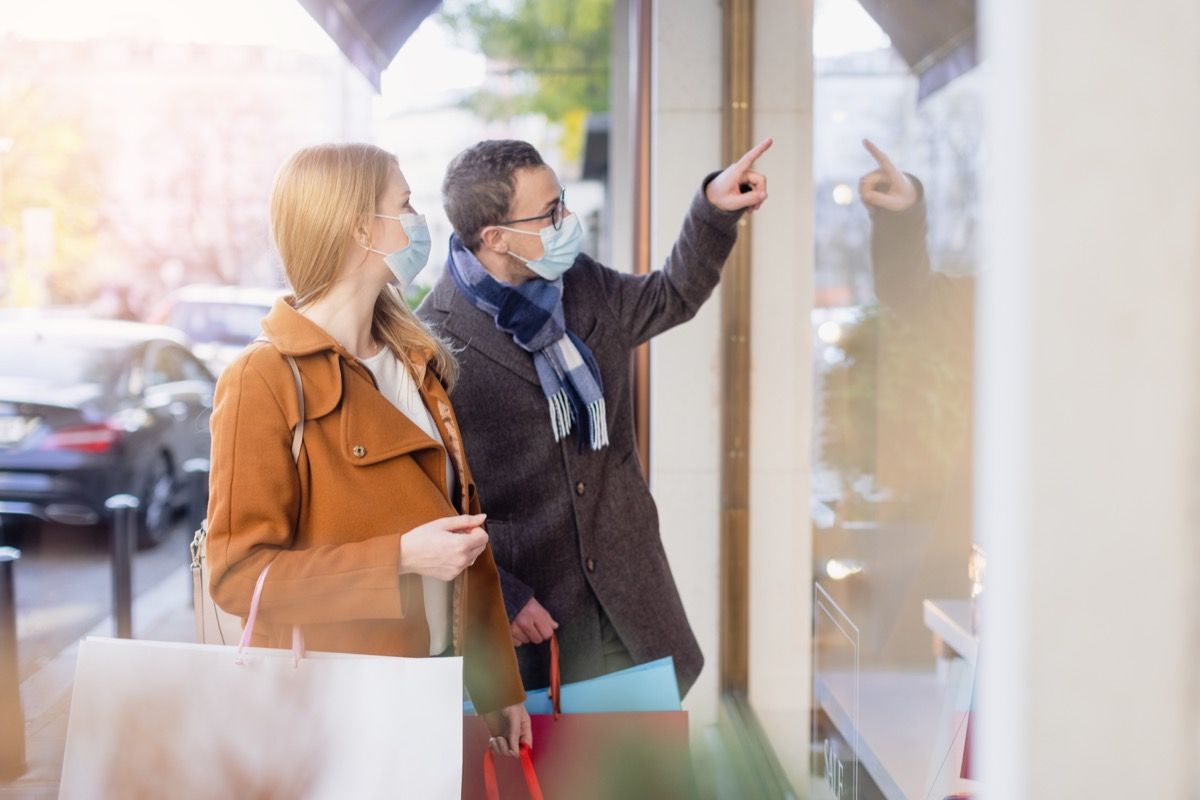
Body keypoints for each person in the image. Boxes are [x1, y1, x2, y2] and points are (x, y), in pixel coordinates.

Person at [206, 143, 529, 757]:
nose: (418, 220)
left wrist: (495, 684)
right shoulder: (263, 378)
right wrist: (400, 558)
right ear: (359, 227)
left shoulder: (414, 360)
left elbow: (465, 538)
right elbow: (237, 577)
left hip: (430, 683)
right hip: (332, 707)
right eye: (403, 204)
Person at [419, 137, 771, 695]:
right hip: (534, 626)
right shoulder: (433, 341)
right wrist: (499, 594)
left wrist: (713, 209)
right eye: (550, 212)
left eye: (563, 201)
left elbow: (670, 295)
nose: (567, 221)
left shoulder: (581, 283)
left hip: (630, 604)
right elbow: (425, 501)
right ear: (496, 237)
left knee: (647, 775)